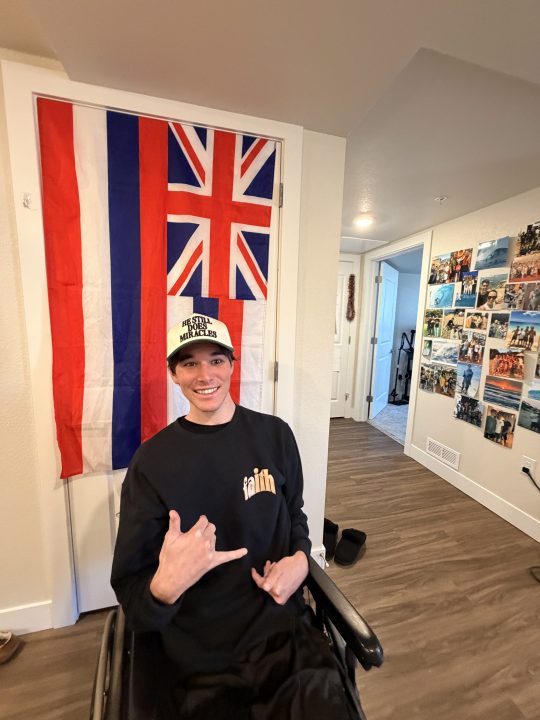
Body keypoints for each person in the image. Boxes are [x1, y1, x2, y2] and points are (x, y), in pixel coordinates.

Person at [111, 313, 359, 720]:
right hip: (197, 663)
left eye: (216, 360)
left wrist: (300, 559)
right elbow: (133, 594)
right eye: (189, 363)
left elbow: (294, 513)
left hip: (283, 640)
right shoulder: (151, 463)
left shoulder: (275, 436)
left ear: (232, 364)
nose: (205, 375)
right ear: (173, 374)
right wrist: (164, 587)